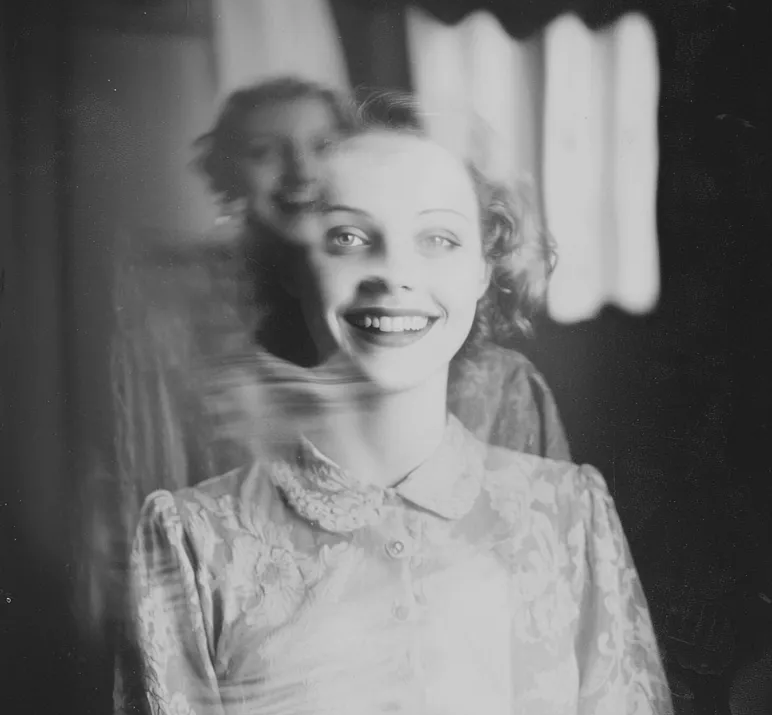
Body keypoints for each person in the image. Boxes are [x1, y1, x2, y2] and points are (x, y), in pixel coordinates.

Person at [114, 122, 695, 715]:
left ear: (486, 267)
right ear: (292, 262)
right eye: (351, 237)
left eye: (440, 239)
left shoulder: (568, 515)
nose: (393, 272)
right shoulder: (195, 541)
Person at [190, 76, 571, 460]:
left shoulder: (499, 385)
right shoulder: (211, 369)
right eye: (263, 152)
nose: (302, 170)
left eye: (323, 145)